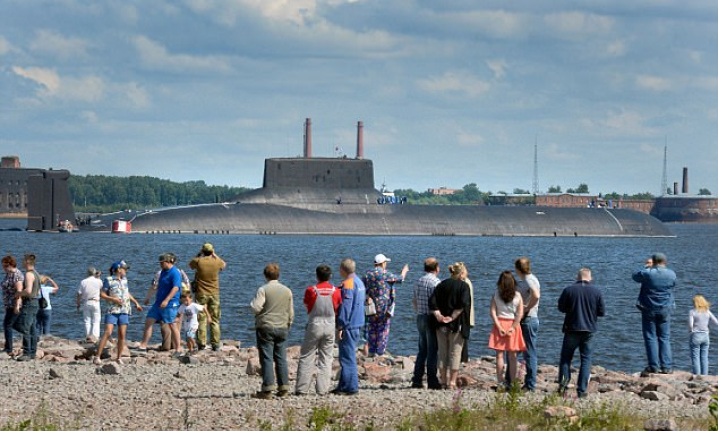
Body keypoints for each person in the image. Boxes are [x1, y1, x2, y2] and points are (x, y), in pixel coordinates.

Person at [557, 268, 605, 398]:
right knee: (586, 359)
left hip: (571, 328)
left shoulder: (568, 290)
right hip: (589, 329)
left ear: (577, 277)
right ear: (591, 278)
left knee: (566, 359)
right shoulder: (597, 291)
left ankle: (563, 387)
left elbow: (561, 308)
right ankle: (582, 390)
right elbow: (602, 312)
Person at [295, 264, 342, 395]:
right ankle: (322, 389)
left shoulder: (311, 290)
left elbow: (307, 305)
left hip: (314, 324)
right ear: (330, 276)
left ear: (317, 276)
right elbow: (338, 307)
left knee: (307, 356)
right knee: (326, 358)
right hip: (330, 326)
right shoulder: (336, 291)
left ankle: (302, 388)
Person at [250, 263, 294, 399]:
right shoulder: (287, 290)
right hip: (282, 327)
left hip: (266, 326)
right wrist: (288, 324)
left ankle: (268, 388)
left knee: (267, 358)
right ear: (278, 275)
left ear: (265, 275)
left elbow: (256, 307)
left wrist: (253, 307)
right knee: (281, 358)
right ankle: (284, 387)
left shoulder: (263, 289)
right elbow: (291, 311)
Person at [428, 262, 471, 390]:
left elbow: (432, 302)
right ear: (461, 273)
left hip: (440, 324)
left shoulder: (441, 284)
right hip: (457, 324)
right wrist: (451, 317)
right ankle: (452, 382)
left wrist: (439, 316)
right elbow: (462, 305)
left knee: (442, 352)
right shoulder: (464, 286)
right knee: (455, 353)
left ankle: (443, 381)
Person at [633, 253, 677, 374]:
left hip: (649, 308)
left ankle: (653, 366)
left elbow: (635, 277)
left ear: (653, 261)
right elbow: (673, 284)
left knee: (650, 337)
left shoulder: (648, 273)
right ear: (665, 261)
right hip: (665, 308)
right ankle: (666, 367)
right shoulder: (671, 274)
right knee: (664, 338)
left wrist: (647, 267)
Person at [93, 260, 143, 365]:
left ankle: (119, 357)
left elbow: (127, 293)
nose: (126, 271)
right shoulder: (109, 280)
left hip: (124, 310)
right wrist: (113, 299)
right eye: (125, 269)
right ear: (119, 269)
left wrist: (136, 303)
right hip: (112, 310)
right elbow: (102, 294)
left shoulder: (125, 280)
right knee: (108, 332)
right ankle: (97, 356)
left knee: (122, 334)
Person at [363, 253, 408, 357]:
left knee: (372, 329)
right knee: (383, 330)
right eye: (385, 263)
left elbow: (362, 286)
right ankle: (380, 352)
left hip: (371, 307)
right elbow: (400, 279)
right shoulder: (385, 274)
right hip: (384, 307)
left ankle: (371, 352)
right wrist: (404, 271)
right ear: (382, 263)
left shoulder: (367, 274)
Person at [138, 253, 182, 354]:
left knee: (172, 325)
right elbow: (156, 286)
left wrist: (167, 300)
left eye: (162, 263)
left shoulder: (175, 273)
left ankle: (178, 348)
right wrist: (148, 297)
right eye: (160, 263)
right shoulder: (162, 272)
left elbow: (176, 288)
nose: (160, 265)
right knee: (149, 320)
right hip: (158, 303)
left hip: (170, 304)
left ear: (168, 262)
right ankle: (143, 345)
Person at [334, 258, 366, 395]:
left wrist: (341, 325)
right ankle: (342, 385)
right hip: (358, 322)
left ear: (342, 270)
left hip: (349, 324)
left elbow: (346, 307)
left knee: (347, 356)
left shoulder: (348, 284)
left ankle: (350, 386)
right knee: (348, 354)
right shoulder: (360, 282)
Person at [488, 270, 525, 388]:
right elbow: (520, 314)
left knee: (499, 356)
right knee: (512, 357)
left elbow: (492, 311)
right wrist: (512, 328)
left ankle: (500, 382)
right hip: (512, 324)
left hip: (500, 323)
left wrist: (498, 326)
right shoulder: (518, 295)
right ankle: (513, 383)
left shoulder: (496, 294)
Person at [145, 262, 191, 351]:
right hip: (180, 300)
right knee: (176, 324)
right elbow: (187, 284)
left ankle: (166, 346)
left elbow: (154, 286)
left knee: (165, 324)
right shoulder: (180, 272)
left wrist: (148, 298)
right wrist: (186, 301)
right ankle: (174, 345)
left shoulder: (160, 273)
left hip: (166, 302)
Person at [188, 243, 226, 351]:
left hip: (201, 293)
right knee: (215, 319)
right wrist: (215, 254)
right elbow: (224, 265)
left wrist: (199, 254)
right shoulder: (217, 262)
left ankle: (202, 343)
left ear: (203, 251)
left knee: (202, 319)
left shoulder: (198, 261)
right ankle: (215, 344)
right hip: (214, 293)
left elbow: (190, 264)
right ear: (212, 251)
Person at [411, 257, 442, 390]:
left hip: (420, 316)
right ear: (437, 269)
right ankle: (432, 380)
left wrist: (419, 311)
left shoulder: (419, 281)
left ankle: (417, 379)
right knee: (432, 350)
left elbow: (415, 300)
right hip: (431, 317)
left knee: (422, 349)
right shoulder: (436, 282)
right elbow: (438, 302)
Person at [515, 257, 541, 391]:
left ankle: (530, 384)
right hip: (529, 319)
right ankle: (523, 381)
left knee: (529, 352)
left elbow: (536, 295)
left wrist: (526, 307)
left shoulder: (529, 280)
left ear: (518, 269)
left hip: (528, 319)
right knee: (523, 350)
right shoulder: (529, 279)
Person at [14, 254, 42, 361]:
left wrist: (19, 294)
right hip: (35, 302)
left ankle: (26, 352)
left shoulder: (28, 274)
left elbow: (29, 290)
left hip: (29, 303)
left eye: (23, 261)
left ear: (26, 262)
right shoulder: (37, 274)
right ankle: (32, 352)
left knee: (23, 326)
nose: (22, 262)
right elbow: (38, 291)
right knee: (32, 328)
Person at [688, 294, 718, 375]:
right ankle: (705, 376)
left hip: (696, 335)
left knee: (695, 357)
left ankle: (697, 376)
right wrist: (708, 327)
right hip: (705, 336)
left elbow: (691, 325)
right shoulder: (707, 311)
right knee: (704, 357)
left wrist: (691, 331)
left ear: (696, 303)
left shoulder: (692, 312)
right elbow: (716, 322)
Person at [2, 255, 24, 355]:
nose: (3, 268)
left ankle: (9, 349)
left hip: (14, 304)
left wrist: (17, 305)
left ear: (10, 265)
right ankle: (30, 334)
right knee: (13, 324)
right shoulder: (9, 274)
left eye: (4, 266)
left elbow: (19, 291)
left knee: (8, 325)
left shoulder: (17, 275)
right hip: (8, 304)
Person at [77, 267, 103, 342]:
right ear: (94, 273)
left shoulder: (83, 282)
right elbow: (101, 287)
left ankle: (88, 336)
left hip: (86, 302)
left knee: (87, 320)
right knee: (96, 320)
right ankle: (95, 337)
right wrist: (98, 277)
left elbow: (79, 293)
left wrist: (78, 303)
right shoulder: (98, 281)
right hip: (95, 302)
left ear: (87, 273)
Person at [459, 264, 475, 363]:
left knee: (462, 339)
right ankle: (464, 359)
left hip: (464, 315)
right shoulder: (468, 282)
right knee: (464, 339)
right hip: (467, 315)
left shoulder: (465, 283)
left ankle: (463, 359)